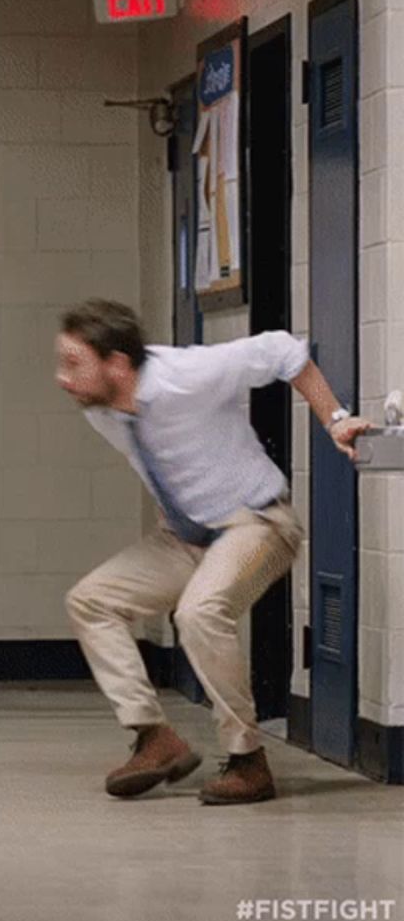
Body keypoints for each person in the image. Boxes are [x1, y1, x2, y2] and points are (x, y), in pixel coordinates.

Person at [55, 299, 371, 805]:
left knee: (199, 613)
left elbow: (283, 351)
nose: (62, 378)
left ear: (116, 363)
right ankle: (154, 738)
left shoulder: (185, 375)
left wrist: (335, 419)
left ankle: (248, 760)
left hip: (258, 521)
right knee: (91, 600)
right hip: (186, 538)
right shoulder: (105, 412)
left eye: (74, 364)